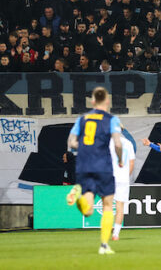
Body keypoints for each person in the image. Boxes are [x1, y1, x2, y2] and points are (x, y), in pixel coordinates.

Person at [66, 86, 123, 255]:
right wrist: (120, 159)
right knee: (107, 205)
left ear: (92, 101)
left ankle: (79, 198)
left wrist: (84, 147)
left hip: (83, 164)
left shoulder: (82, 119)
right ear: (107, 101)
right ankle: (104, 245)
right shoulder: (112, 119)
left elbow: (71, 142)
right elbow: (118, 144)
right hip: (103, 164)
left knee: (88, 211)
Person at [110, 132, 136, 241]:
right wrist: (126, 176)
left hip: (110, 178)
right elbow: (131, 163)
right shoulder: (128, 143)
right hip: (123, 179)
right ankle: (116, 234)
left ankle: (108, 228)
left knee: (107, 205)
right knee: (120, 206)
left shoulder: (108, 143)